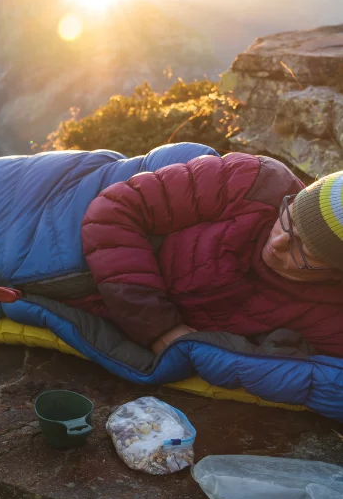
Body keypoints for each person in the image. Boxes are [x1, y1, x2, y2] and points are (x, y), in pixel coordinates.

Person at [78, 152, 343, 357]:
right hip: (75, 225)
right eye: (289, 217)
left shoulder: (328, 310)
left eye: (302, 249)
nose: (279, 240)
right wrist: (159, 328)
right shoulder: (252, 182)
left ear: (334, 273)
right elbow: (116, 208)